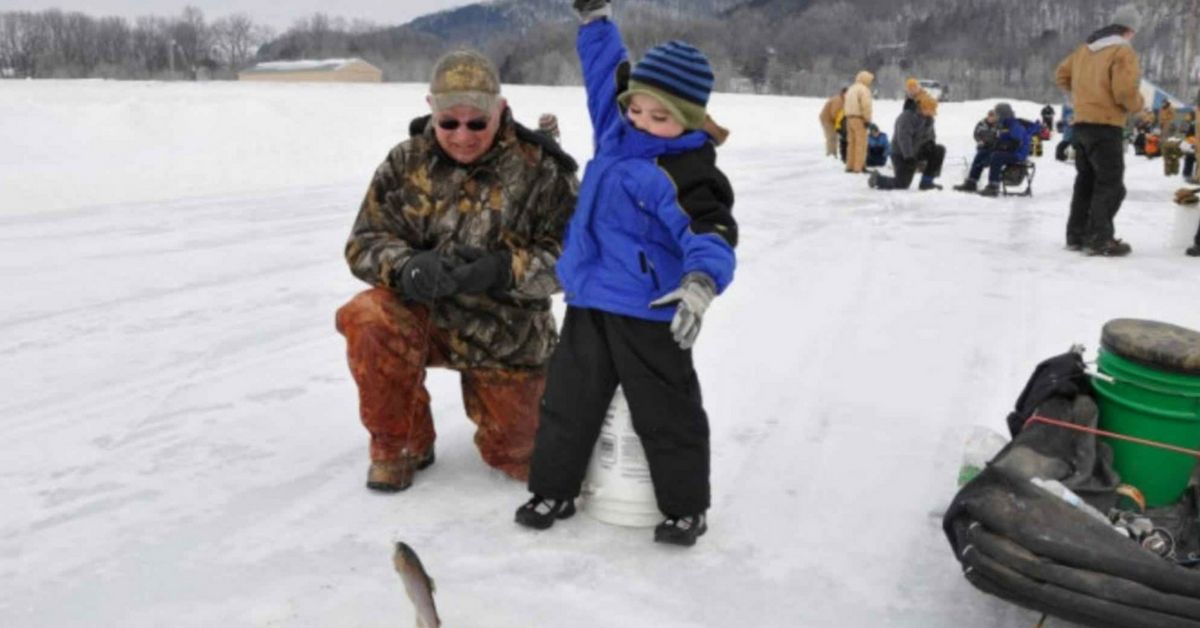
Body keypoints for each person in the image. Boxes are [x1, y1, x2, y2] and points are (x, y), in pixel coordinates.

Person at [517, 0, 737, 548]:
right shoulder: (617, 133)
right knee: (567, 402)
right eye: (636, 109)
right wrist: (595, 22)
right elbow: (605, 72)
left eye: (659, 117)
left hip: (649, 311)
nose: (642, 122)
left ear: (687, 119)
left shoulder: (686, 172)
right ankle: (555, 489)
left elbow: (710, 232)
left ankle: (686, 508)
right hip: (590, 302)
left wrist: (700, 284)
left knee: (667, 413)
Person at [335, 49, 580, 492]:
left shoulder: (542, 169)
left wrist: (504, 269)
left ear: (500, 111)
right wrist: (408, 267)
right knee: (367, 315)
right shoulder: (404, 162)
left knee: (521, 459)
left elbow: (578, 261)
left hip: (508, 329)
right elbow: (364, 243)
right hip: (427, 316)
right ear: (431, 110)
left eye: (476, 123)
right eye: (449, 122)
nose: (462, 135)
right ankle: (401, 443)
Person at [1055, 4, 1144, 256]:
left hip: (1081, 124)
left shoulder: (1085, 49)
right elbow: (1125, 92)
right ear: (1130, 30)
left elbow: (1061, 75)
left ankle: (1076, 235)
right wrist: (1138, 106)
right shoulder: (1122, 51)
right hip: (1106, 125)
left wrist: (1084, 96)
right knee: (1111, 184)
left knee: (1086, 181)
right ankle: (1100, 238)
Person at [868, 96, 945, 191]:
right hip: (900, 153)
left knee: (939, 150)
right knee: (902, 184)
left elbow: (931, 136)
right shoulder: (907, 117)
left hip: (917, 151)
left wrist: (930, 144)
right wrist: (908, 157)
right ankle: (877, 179)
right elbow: (904, 139)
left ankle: (926, 182)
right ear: (924, 108)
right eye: (932, 110)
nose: (933, 113)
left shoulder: (929, 119)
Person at [952, 103, 1029, 197]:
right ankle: (971, 183)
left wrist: (999, 147)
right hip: (1007, 151)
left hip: (1018, 154)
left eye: (997, 114)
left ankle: (993, 186)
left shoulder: (1015, 124)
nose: (996, 116)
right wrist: (989, 145)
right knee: (982, 153)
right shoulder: (1003, 124)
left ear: (1003, 114)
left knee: (996, 156)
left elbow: (1016, 143)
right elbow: (1000, 140)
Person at [843, 70, 875, 173]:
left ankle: (850, 166)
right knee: (861, 143)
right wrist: (867, 119)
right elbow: (866, 106)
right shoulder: (864, 90)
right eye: (870, 80)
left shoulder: (851, 88)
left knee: (851, 143)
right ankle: (859, 167)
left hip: (849, 118)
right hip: (859, 119)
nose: (870, 82)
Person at [820, 88, 846, 159]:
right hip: (827, 119)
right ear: (843, 93)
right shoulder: (838, 100)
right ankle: (831, 155)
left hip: (832, 120)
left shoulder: (843, 100)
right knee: (831, 137)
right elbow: (834, 114)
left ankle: (833, 153)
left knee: (835, 137)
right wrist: (840, 123)